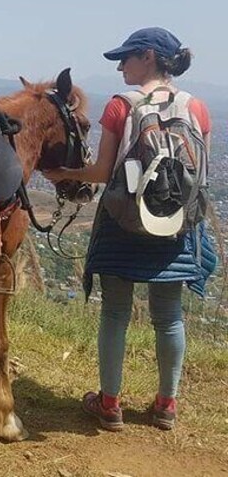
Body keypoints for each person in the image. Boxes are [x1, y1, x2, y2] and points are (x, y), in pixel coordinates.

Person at [43, 27, 215, 432]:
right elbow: (198, 175)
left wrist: (65, 172)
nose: (120, 66)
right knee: (169, 316)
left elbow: (103, 172)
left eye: (127, 58)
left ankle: (109, 403)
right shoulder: (198, 107)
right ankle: (166, 405)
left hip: (124, 220)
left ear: (149, 57)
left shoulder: (121, 106)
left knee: (116, 313)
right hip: (173, 224)